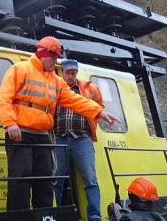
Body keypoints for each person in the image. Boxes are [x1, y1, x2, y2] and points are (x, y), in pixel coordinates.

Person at [0, 36, 120, 211]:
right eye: (54, 57)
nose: (56, 61)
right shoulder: (20, 69)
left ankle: (46, 216)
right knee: (20, 181)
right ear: (43, 54)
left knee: (44, 183)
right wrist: (10, 123)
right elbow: (3, 99)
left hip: (42, 137)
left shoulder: (56, 81)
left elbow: (76, 100)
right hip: (20, 134)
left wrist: (99, 111)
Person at [53, 59, 104, 221]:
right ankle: (58, 216)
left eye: (73, 73)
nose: (70, 76)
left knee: (90, 180)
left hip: (82, 139)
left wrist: (93, 123)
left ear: (77, 72)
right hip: (59, 139)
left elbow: (100, 107)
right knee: (57, 179)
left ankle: (95, 217)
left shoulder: (90, 89)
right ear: (62, 71)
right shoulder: (55, 88)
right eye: (68, 72)